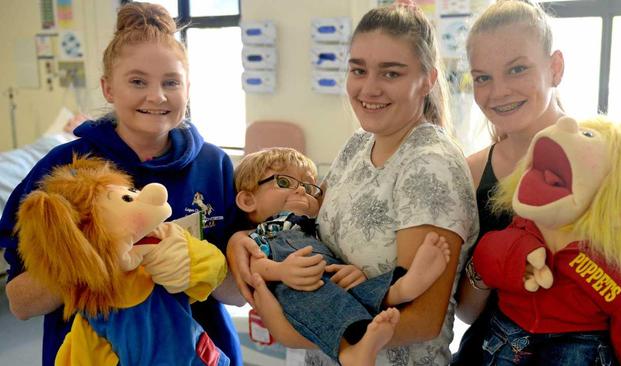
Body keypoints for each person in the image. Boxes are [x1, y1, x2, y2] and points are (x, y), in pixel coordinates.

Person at [228, 2, 479, 365]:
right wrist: (242, 240)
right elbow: (303, 218)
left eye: (391, 74)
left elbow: (423, 320)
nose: (369, 88)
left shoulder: (429, 165)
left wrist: (285, 329)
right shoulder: (358, 145)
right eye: (358, 70)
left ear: (427, 79)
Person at [0, 3, 243, 365]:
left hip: (198, 354)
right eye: (137, 81)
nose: (156, 96)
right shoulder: (62, 170)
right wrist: (94, 258)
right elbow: (21, 302)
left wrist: (202, 266)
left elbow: (237, 294)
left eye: (171, 82)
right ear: (108, 88)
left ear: (188, 88)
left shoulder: (213, 165)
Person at [234, 147, 451, 365]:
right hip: (295, 288)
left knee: (351, 293)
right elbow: (255, 268)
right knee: (321, 304)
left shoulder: (314, 226)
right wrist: (282, 271)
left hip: (330, 276)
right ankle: (351, 350)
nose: (301, 191)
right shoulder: (264, 232)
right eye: (284, 182)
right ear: (248, 201)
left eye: (308, 188)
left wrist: (351, 270)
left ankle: (401, 288)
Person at [452, 1, 566, 364]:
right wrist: (485, 266)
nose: (498, 91)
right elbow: (466, 313)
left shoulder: (612, 159)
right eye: (483, 77)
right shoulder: (469, 172)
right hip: (488, 353)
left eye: (517, 69)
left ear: (555, 68)